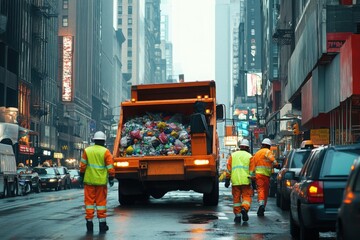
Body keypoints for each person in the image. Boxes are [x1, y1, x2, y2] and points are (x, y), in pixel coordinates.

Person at [79, 131, 115, 233]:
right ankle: (102, 225)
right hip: (101, 183)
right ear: (104, 141)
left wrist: (81, 175)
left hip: (89, 181)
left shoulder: (87, 151)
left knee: (89, 203)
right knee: (101, 204)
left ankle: (89, 224)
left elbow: (83, 166)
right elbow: (110, 167)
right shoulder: (106, 152)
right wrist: (111, 177)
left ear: (94, 140)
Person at [224, 139, 253, 223]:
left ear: (240, 147)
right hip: (246, 180)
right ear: (247, 147)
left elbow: (229, 169)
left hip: (235, 180)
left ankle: (237, 216)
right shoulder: (250, 156)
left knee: (236, 198)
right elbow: (252, 171)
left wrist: (227, 179)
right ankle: (244, 208)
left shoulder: (233, 155)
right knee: (246, 197)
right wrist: (253, 181)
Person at [250, 138, 280, 217]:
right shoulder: (267, 152)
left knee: (260, 190)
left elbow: (253, 166)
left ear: (262, 145)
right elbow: (272, 159)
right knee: (265, 191)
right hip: (265, 176)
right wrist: (277, 164)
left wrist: (253, 177)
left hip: (258, 175)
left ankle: (261, 205)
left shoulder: (256, 154)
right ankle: (262, 206)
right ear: (269, 146)